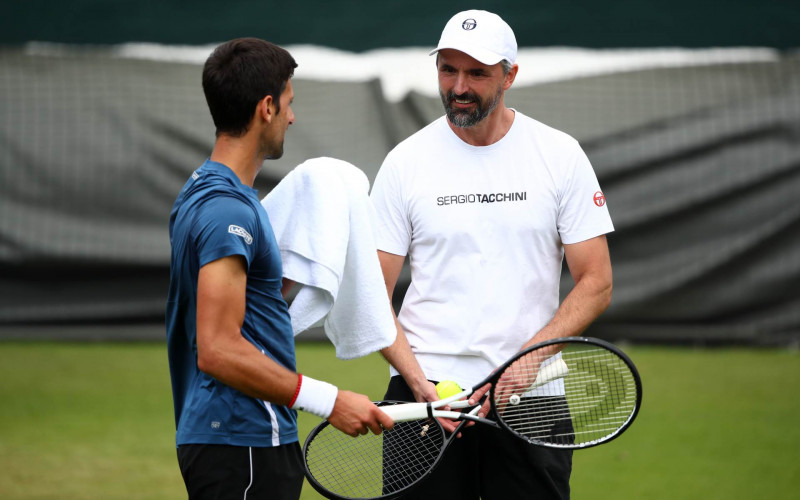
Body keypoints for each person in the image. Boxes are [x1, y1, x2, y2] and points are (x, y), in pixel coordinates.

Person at [372, 10, 614, 500]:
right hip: (426, 398)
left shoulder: (559, 154)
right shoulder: (404, 162)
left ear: (510, 75)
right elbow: (371, 294)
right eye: (448, 69)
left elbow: (597, 281)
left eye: (477, 73)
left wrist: (527, 363)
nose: (459, 86)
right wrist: (419, 384)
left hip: (532, 395)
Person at [165, 38, 393, 500]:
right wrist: (330, 401)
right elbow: (218, 350)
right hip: (242, 441)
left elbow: (238, 312)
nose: (292, 117)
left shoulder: (201, 192)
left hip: (228, 439)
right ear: (266, 107)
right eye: (289, 103)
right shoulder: (226, 213)